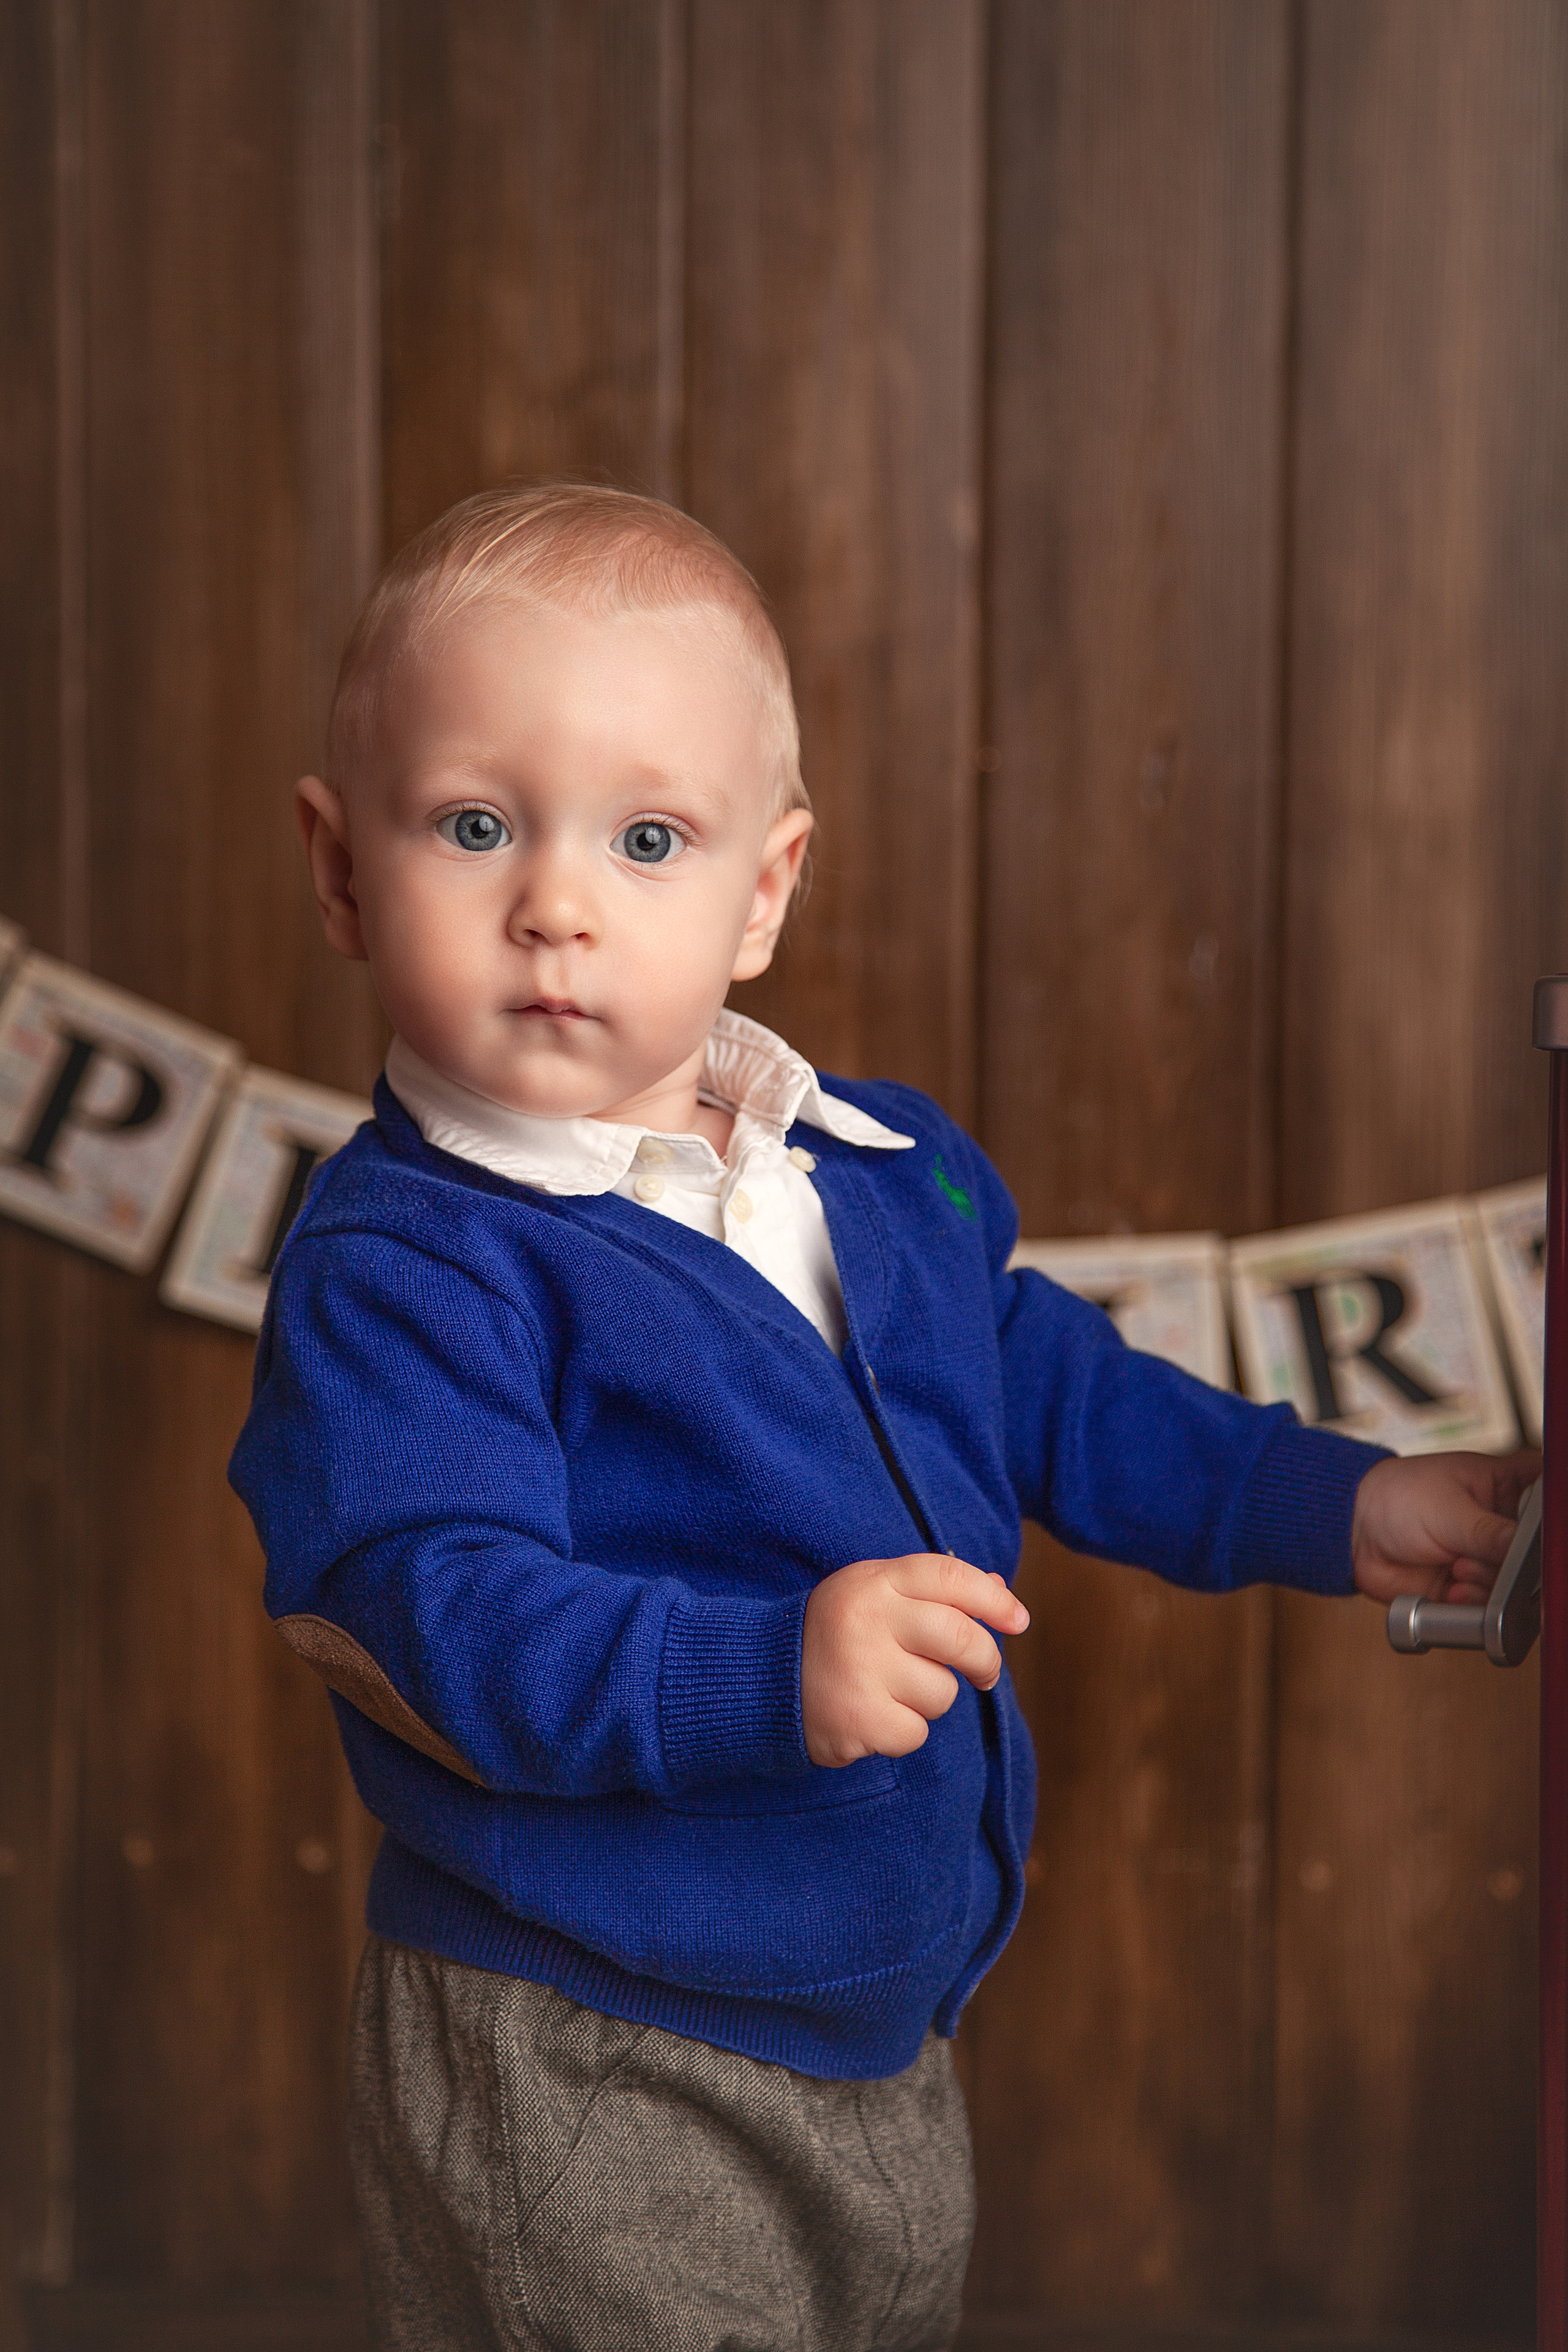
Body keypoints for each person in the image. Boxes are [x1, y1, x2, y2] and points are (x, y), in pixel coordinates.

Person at [229, 484, 1536, 2352]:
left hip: (878, 2023)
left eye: (650, 837)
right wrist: (770, 1670)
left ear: (764, 891)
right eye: (473, 824)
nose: (558, 905)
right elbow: (425, 1606)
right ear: (343, 867)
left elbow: (1055, 1395)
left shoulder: (884, 1168)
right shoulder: (412, 1264)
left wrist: (1339, 1504)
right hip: (594, 2041)